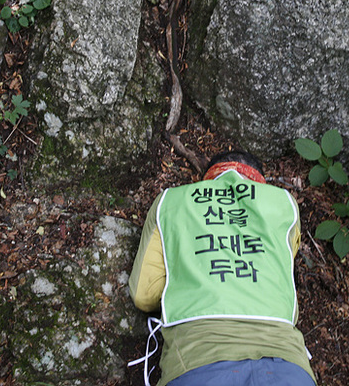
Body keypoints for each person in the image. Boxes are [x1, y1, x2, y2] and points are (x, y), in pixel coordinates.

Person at [128, 150, 316, 386]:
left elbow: (143, 295)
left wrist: (190, 283)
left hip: (198, 364)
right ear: (261, 181)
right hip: (288, 366)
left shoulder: (170, 202)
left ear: (207, 178)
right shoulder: (284, 204)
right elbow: (282, 269)